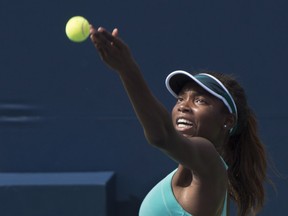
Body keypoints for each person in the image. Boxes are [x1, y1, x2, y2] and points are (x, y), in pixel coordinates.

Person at [90, 26, 268, 216]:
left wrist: (127, 70)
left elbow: (162, 135)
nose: (183, 106)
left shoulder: (209, 160)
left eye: (200, 100)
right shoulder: (198, 171)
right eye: (180, 99)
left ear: (227, 121)